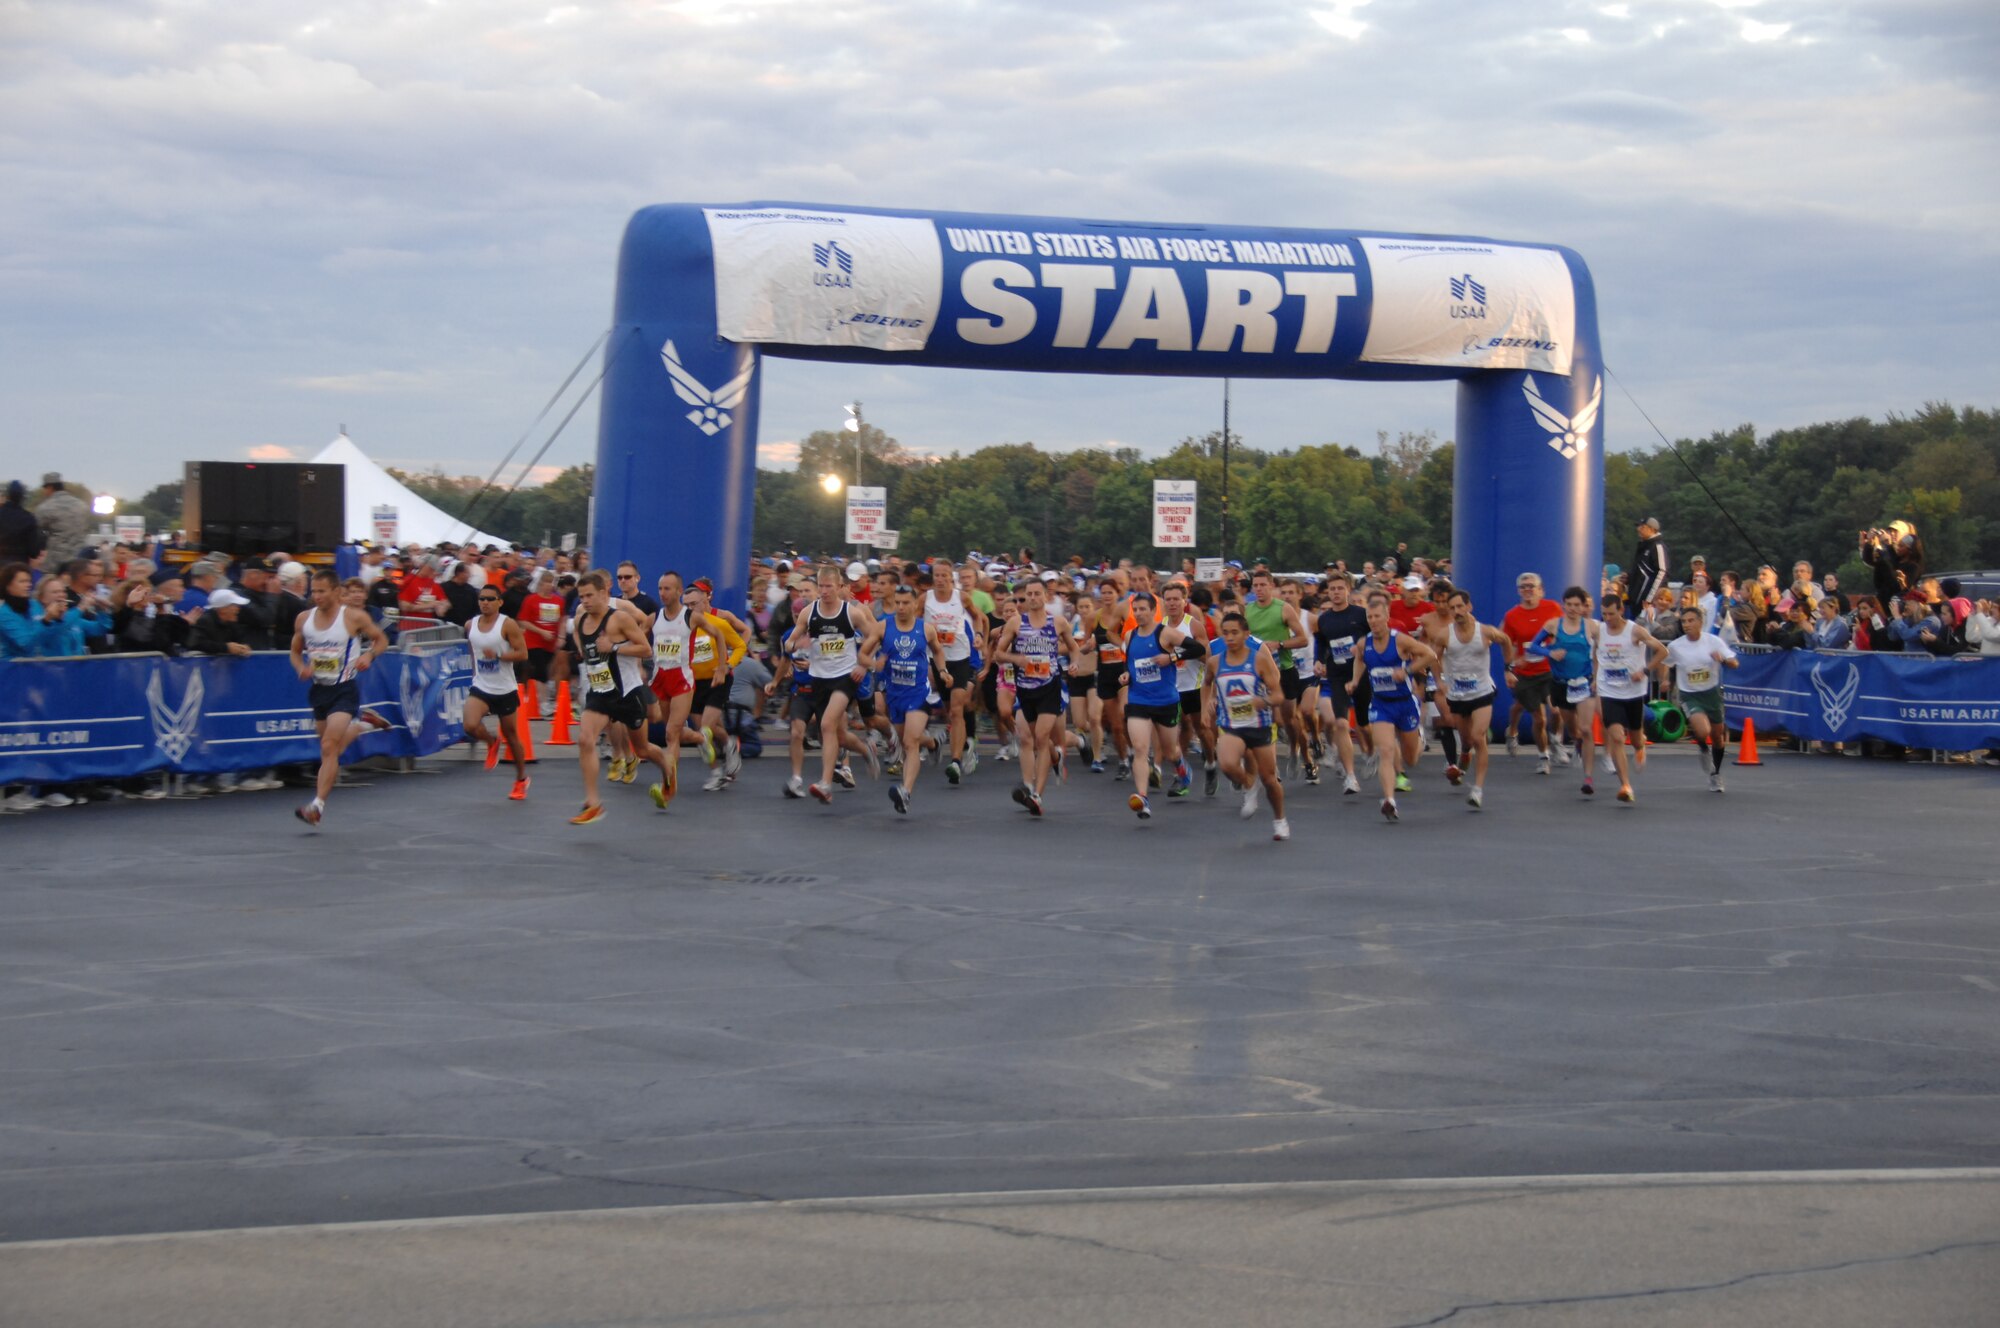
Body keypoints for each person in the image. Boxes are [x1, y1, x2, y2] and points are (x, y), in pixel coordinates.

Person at [565, 570, 670, 825]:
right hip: (600, 693)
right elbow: (582, 641)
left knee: (643, 748)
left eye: (590, 595)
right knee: (585, 740)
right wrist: (584, 651)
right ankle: (593, 803)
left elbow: (645, 648)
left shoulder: (619, 618)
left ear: (603, 593)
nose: (585, 601)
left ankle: (669, 771)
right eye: (581, 597)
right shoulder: (580, 619)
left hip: (627, 693)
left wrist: (612, 647)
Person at [289, 570, 392, 826]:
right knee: (331, 749)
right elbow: (294, 650)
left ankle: (317, 806)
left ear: (336, 592)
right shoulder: (304, 619)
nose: (317, 596)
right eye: (314, 591)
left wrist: (368, 656)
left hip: (344, 688)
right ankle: (365, 724)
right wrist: (301, 668)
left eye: (322, 591)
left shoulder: (354, 617)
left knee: (328, 746)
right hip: (319, 690)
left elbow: (381, 640)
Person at [788, 565, 883, 804]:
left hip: (846, 676)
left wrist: (864, 664)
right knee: (836, 733)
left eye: (829, 586)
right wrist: (795, 645)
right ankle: (865, 750)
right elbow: (790, 640)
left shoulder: (852, 614)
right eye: (821, 586)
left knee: (829, 724)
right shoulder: (809, 613)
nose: (824, 591)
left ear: (840, 587)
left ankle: (826, 783)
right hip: (819, 678)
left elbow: (875, 636)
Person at [1350, 589, 1439, 822]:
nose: (1373, 621)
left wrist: (1407, 670)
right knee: (1386, 751)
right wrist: (1355, 680)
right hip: (1381, 705)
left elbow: (1430, 655)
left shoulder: (1399, 639)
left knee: (1411, 759)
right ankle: (1389, 800)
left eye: (1377, 616)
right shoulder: (1363, 643)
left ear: (1386, 617)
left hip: (1405, 704)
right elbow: (1360, 660)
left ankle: (1419, 735)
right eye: (1370, 617)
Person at [993, 576, 1079, 817]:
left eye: (1036, 594)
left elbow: (1073, 648)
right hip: (1025, 689)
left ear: (1045, 596)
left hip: (1049, 686)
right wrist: (1016, 659)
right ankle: (1056, 756)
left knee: (1041, 737)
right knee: (1033, 738)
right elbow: (998, 655)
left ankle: (1036, 795)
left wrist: (1074, 664)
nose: (1031, 598)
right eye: (1027, 595)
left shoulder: (1058, 622)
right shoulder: (1015, 624)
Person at [1203, 610, 1289, 840]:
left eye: (1234, 633)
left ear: (1246, 634)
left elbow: (1279, 694)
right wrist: (1207, 704)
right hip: (1231, 724)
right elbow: (1206, 683)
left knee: (1270, 779)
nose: (1229, 638)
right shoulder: (1214, 662)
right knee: (1228, 764)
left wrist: (1266, 701)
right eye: (1225, 633)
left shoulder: (1259, 660)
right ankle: (1249, 785)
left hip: (1258, 725)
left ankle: (1280, 820)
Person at [1426, 589, 1515, 810]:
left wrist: (1508, 669)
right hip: (1457, 695)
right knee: (1466, 740)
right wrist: (1439, 680)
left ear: (1469, 607)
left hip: (1482, 692)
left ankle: (1477, 789)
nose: (1456, 611)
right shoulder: (1444, 635)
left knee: (1478, 737)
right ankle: (1464, 754)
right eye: (1452, 607)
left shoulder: (1484, 631)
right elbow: (1433, 657)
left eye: (1459, 607)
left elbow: (1506, 641)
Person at [1524, 586, 1604, 797]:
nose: (1573, 609)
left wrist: (1598, 676)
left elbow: (1605, 648)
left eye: (1577, 605)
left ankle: (1588, 778)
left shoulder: (1591, 627)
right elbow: (1532, 646)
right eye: (1569, 604)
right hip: (1561, 684)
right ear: (1563, 605)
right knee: (1573, 727)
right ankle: (1577, 741)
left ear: (1583, 606)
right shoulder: (1553, 625)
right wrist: (1550, 652)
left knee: (1586, 729)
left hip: (1584, 683)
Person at [1119, 590, 1190, 820]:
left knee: (1171, 751)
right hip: (1139, 700)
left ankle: (1180, 767)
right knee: (1140, 748)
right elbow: (1131, 665)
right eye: (1135, 609)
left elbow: (1197, 649)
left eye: (1143, 609)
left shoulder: (1166, 633)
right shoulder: (1129, 636)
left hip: (1166, 700)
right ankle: (1143, 798)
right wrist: (1126, 676)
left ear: (1153, 611)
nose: (1138, 613)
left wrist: (1170, 658)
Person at [878, 585, 949, 813]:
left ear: (915, 604)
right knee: (909, 739)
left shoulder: (926, 629)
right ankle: (934, 742)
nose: (900, 607)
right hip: (895, 692)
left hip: (919, 692)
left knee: (910, 743)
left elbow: (938, 651)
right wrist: (872, 663)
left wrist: (944, 671)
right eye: (897, 602)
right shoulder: (883, 626)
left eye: (905, 602)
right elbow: (863, 652)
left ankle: (905, 792)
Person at [1594, 592, 1666, 805]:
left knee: (1634, 739)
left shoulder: (1635, 631)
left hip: (1633, 692)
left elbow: (1662, 651)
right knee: (1616, 737)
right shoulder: (1599, 631)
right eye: (1604, 614)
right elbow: (1595, 654)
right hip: (1609, 692)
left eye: (1611, 614)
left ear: (1621, 611)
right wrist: (1594, 676)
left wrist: (1644, 670)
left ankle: (1640, 745)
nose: (1608, 618)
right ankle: (1625, 785)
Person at [1242, 570, 1314, 783]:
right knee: (1271, 719)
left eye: (1263, 585)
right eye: (1256, 586)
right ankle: (1272, 766)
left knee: (1289, 720)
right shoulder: (1247, 611)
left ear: (1271, 586)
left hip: (1284, 669)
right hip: (1258, 674)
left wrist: (1279, 644)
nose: (1259, 589)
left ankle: (1297, 751)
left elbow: (1303, 639)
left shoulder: (1283, 609)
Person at [462, 583, 532, 799]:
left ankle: (521, 779)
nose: (485, 602)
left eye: (490, 599)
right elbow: (472, 650)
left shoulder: (507, 624)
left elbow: (523, 654)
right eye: (482, 599)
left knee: (512, 735)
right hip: (481, 685)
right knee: (470, 725)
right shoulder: (469, 625)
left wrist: (499, 657)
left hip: (505, 687)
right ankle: (492, 742)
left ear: (500, 602)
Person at [1665, 604, 1739, 791]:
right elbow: (1665, 662)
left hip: (1711, 692)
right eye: (1683, 621)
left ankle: (1716, 774)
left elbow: (1734, 663)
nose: (1686, 624)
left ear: (1700, 622)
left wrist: (1722, 660)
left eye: (1691, 621)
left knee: (1718, 737)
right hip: (1690, 695)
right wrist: (1665, 679)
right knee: (1702, 730)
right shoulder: (1676, 645)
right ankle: (1702, 747)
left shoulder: (1713, 642)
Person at [1310, 570, 1371, 797]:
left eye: (1340, 588)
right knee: (1342, 724)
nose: (1336, 593)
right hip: (1337, 675)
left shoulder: (1361, 614)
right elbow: (1321, 644)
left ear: (1348, 590)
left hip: (1362, 674)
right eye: (1332, 589)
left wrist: (1363, 646)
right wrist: (1318, 660)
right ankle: (1351, 777)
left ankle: (1370, 751)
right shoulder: (1324, 619)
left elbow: (1375, 638)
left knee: (1364, 725)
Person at [923, 557, 983, 783]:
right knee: (950, 709)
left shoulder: (961, 597)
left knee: (957, 710)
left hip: (959, 657)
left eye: (944, 575)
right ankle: (962, 745)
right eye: (936, 575)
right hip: (936, 660)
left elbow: (978, 617)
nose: (939, 579)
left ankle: (955, 762)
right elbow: (914, 621)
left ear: (951, 577)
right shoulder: (925, 599)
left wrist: (978, 635)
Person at [1501, 572, 1565, 773]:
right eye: (1523, 587)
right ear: (1518, 591)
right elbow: (1508, 644)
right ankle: (1542, 756)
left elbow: (1562, 631)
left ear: (1541, 590)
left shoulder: (1552, 608)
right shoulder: (1512, 615)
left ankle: (1555, 740)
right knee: (1539, 718)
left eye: (1532, 586)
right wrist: (1509, 668)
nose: (1528, 590)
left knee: (1555, 710)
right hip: (1526, 673)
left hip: (1549, 670)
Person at [1159, 580, 1216, 794]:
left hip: (1194, 684)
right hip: (1172, 687)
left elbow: (1206, 655)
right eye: (1168, 599)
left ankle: (1210, 763)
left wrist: (1178, 653)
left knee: (1201, 728)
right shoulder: (1160, 625)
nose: (1172, 603)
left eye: (1176, 599)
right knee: (1179, 728)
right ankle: (1180, 776)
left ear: (1184, 601)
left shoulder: (1193, 625)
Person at [33, 473, 88, 569]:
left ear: (50, 487)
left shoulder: (46, 507)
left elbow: (36, 530)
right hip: (81, 558)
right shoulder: (82, 505)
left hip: (57, 561)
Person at [1630, 517, 1667, 615]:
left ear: (1652, 529)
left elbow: (1662, 572)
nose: (1638, 529)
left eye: (1642, 527)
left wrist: (1649, 598)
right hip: (1636, 601)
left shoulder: (1657, 546)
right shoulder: (1643, 546)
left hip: (1647, 603)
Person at [0, 481, 42, 563]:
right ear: (22, 497)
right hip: (20, 567)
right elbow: (34, 552)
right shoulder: (29, 518)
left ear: (7, 496)